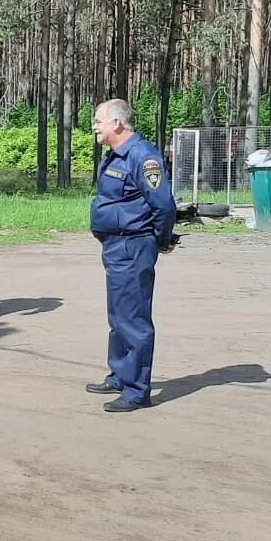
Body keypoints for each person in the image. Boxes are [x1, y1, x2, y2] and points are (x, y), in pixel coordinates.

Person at [84, 99, 177, 413]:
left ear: (117, 124)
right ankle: (121, 375)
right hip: (116, 246)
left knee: (133, 318)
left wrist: (160, 241)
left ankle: (137, 390)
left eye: (99, 121)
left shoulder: (142, 156)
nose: (95, 126)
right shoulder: (116, 155)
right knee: (118, 315)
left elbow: (163, 206)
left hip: (134, 246)